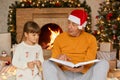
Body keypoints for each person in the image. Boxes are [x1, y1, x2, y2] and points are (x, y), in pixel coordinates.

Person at [42, 9, 109, 80]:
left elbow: (90, 61)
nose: (69, 27)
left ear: (81, 27)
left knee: (104, 63)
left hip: (84, 76)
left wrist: (82, 69)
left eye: (73, 24)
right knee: (46, 63)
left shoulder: (91, 39)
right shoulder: (59, 38)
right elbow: (54, 62)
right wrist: (59, 59)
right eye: (69, 23)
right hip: (64, 76)